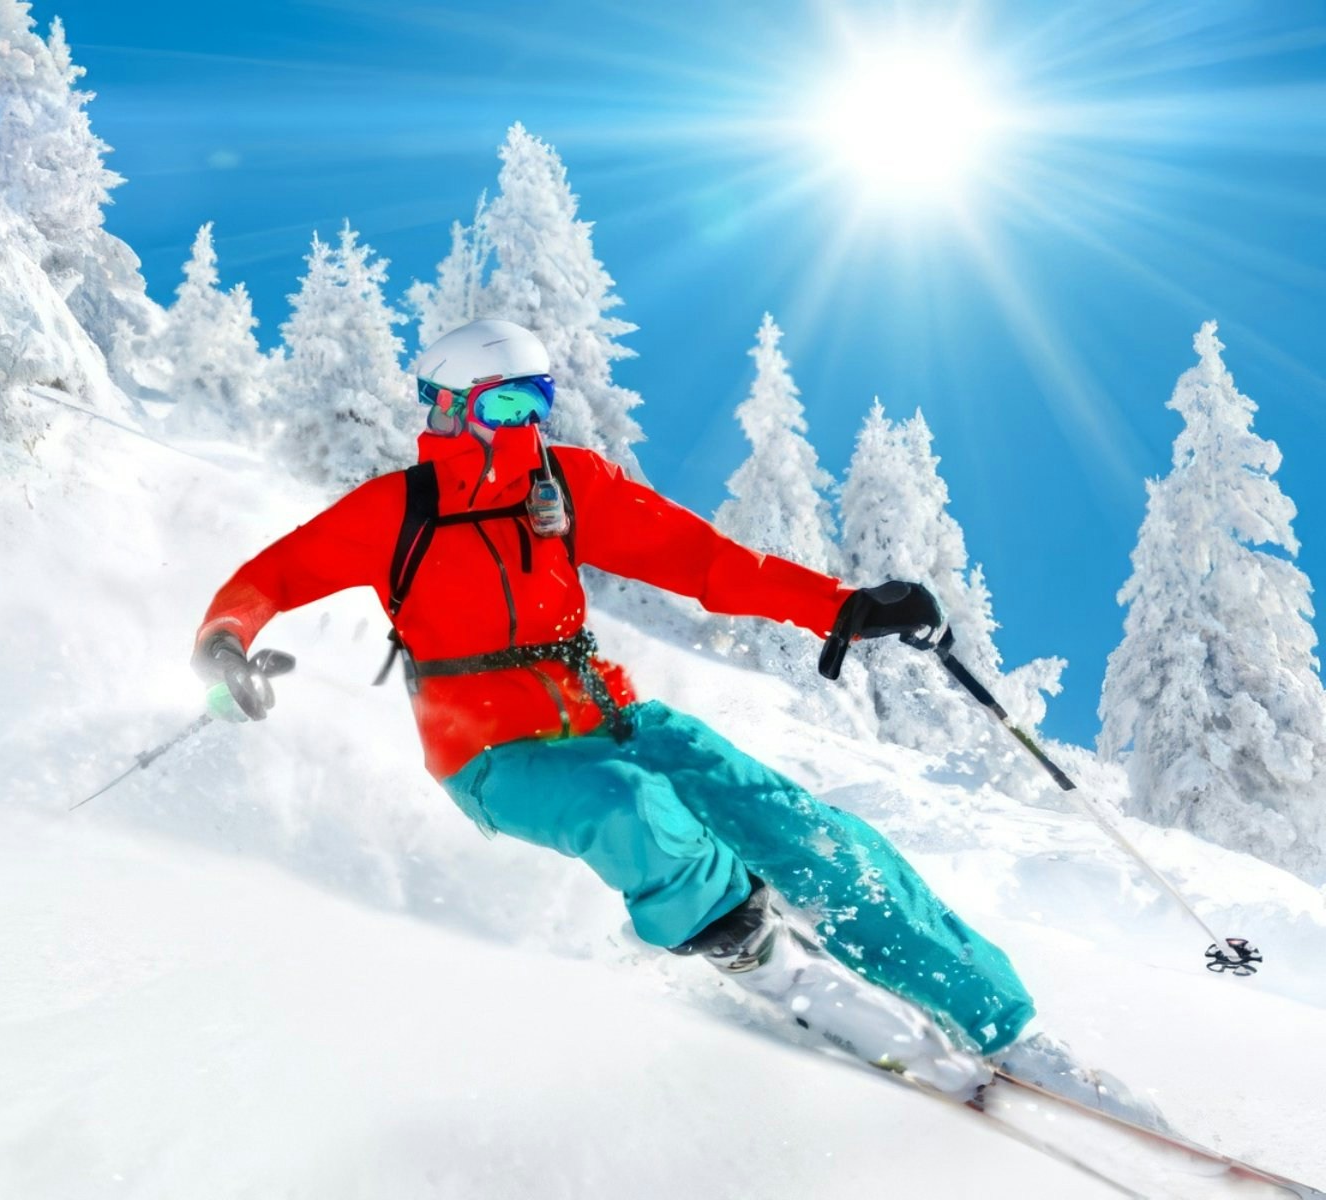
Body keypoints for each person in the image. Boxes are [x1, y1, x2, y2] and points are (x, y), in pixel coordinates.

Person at [192, 318, 1147, 1110]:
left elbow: (706, 562)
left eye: (538, 400)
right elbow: (271, 576)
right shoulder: (393, 512)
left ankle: (1005, 1030)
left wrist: (841, 607)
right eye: (504, 406)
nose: (527, 424)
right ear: (447, 407)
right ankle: (770, 964)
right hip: (489, 752)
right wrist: (226, 644)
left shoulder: (566, 486)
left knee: (810, 835)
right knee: (628, 808)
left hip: (614, 716)